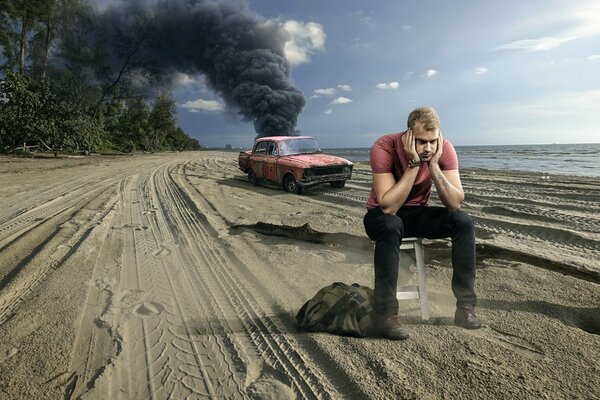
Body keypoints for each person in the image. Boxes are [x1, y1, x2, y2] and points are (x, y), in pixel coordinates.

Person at [363, 106, 482, 341]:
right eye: (420, 142)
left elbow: (455, 203)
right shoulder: (383, 147)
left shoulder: (443, 148)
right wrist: (413, 164)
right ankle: (385, 315)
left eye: (432, 141)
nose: (428, 148)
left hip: (417, 213)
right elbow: (388, 207)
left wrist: (435, 165)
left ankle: (465, 308)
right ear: (408, 135)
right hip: (380, 216)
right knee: (392, 224)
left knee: (463, 222)